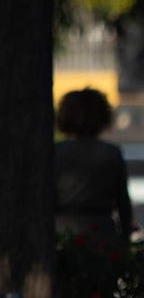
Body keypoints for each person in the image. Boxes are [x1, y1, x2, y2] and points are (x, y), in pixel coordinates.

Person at [54, 88, 134, 255]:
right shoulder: (111, 153)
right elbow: (123, 203)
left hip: (61, 232)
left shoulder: (54, 152)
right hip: (102, 232)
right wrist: (125, 239)